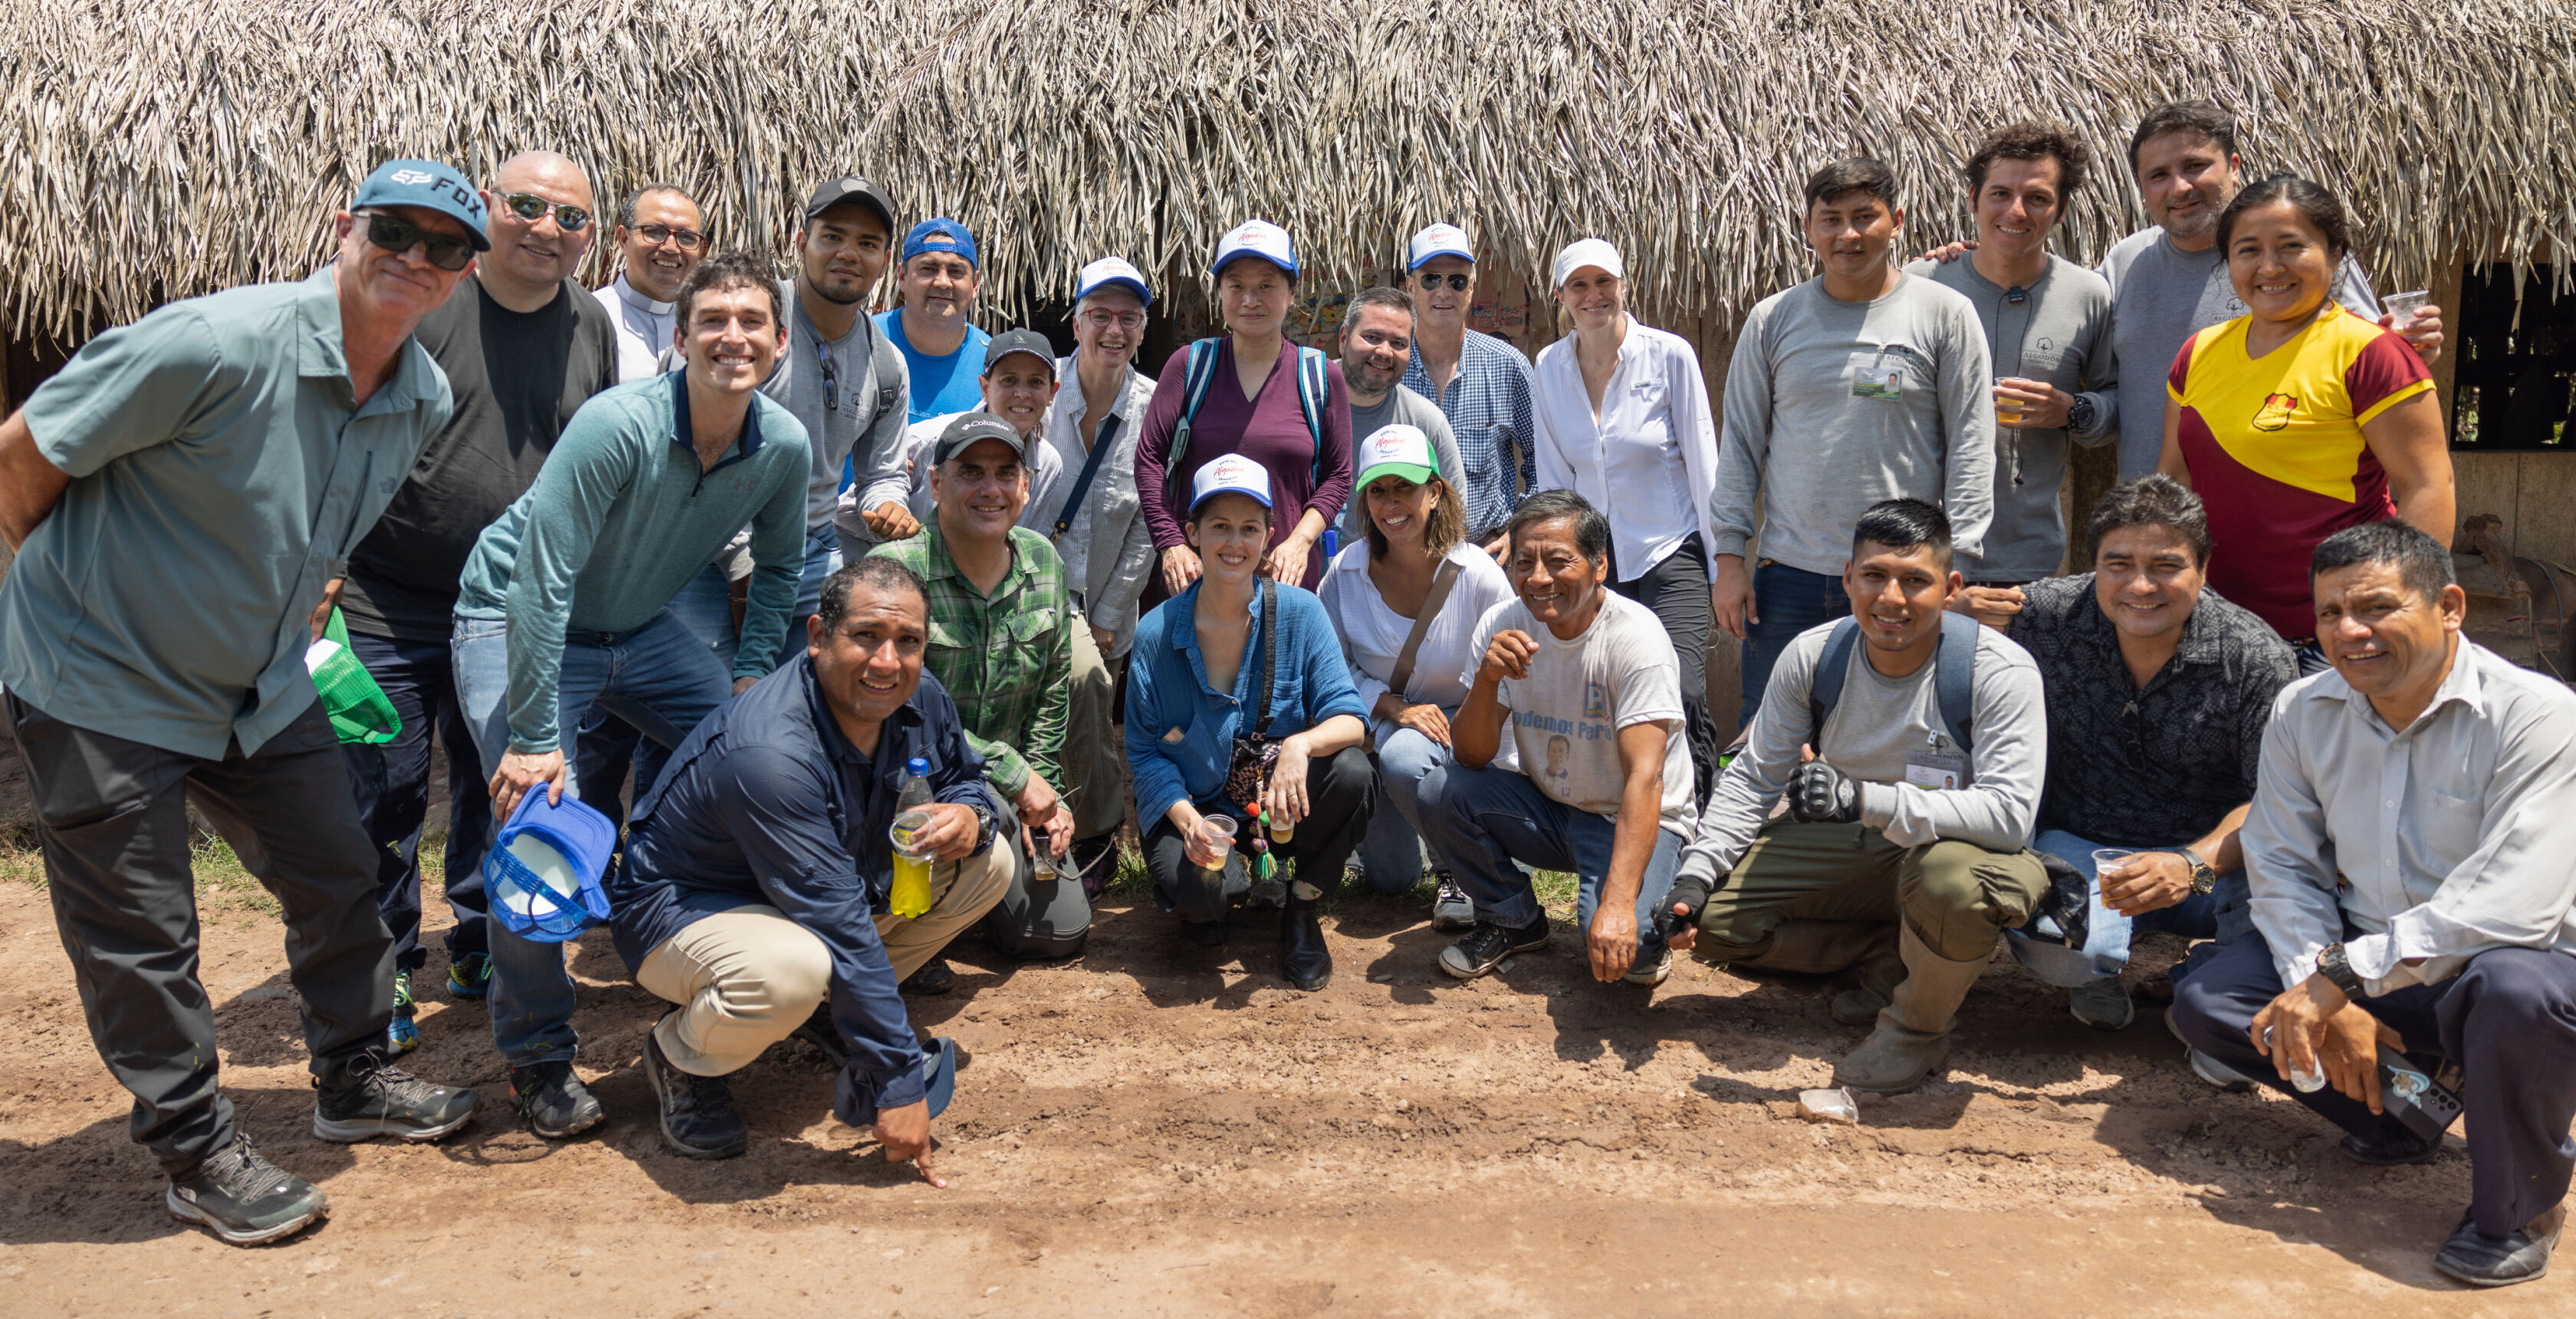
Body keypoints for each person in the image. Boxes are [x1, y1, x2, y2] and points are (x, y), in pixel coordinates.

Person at [0, 159, 489, 1247]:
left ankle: (354, 1078)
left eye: (445, 246)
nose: (415, 258)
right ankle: (191, 1147)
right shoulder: (212, 344)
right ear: (344, 227)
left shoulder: (423, 396)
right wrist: (81, 599)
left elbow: (327, 528)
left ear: (462, 274)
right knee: (143, 928)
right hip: (102, 682)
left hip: (260, 683)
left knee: (340, 867)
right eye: (394, 231)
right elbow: (22, 457)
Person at [449, 252, 811, 1139]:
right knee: (532, 821)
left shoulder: (784, 446)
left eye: (752, 321)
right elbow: (543, 581)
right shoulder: (619, 424)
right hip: (518, 614)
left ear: (780, 340)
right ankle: (536, 1056)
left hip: (639, 629)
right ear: (679, 337)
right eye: (714, 320)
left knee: (762, 764)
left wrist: (753, 671)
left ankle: (725, 961)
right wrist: (534, 736)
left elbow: (781, 568)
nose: (734, 335)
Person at [2171, 521, 2576, 1289]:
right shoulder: (2303, 710)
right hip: (2370, 954)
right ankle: (2411, 1111)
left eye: (2376, 608)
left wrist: (2343, 980)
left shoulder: (2539, 714)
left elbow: (2515, 903)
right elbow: (2282, 864)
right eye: (2329, 614)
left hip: (2511, 961)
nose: (2350, 633)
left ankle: (2521, 1206)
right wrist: (2325, 985)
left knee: (2517, 994)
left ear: (2450, 605)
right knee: (2215, 1001)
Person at [335, 150, 618, 1054]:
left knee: (497, 784)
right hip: (389, 596)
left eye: (570, 217)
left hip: (510, 606)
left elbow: (596, 451)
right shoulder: (430, 297)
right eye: (528, 206)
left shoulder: (590, 322)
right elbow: (341, 423)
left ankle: (474, 942)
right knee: (383, 794)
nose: (547, 228)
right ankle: (380, 982)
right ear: (491, 208)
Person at [610, 557, 1007, 1173]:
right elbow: (837, 920)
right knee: (789, 969)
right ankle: (680, 1053)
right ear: (819, 634)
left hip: (806, 894)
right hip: (684, 911)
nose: (887, 662)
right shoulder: (771, 751)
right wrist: (899, 1081)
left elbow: (966, 778)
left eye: (908, 642)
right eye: (866, 637)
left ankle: (824, 1005)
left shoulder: (916, 693)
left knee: (990, 863)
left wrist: (972, 815)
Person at [1668, 499, 2049, 1094]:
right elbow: (1754, 777)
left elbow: (2008, 817)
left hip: (1956, 850)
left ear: (1951, 588)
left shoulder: (1998, 671)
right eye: (1874, 576)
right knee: (1715, 920)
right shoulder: (1816, 654)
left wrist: (1863, 798)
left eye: (1915, 580)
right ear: (1848, 579)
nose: (1891, 598)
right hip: (1854, 840)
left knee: (1954, 884)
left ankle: (1916, 1030)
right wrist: (1696, 874)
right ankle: (1888, 957)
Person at [2002, 477, 2295, 1071]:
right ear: (2093, 566)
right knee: (2061, 950)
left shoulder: (2255, 658)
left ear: (2204, 569)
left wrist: (2193, 865)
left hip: (2208, 874)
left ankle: (2203, 981)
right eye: (2119, 564)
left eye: (2166, 566)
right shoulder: (2042, 617)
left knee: (2283, 911)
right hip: (2085, 853)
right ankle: (2101, 965)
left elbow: (2279, 803)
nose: (2140, 586)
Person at [1714, 159, 1996, 732]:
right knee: (1768, 729)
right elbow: (1740, 443)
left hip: (1902, 573)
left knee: (1902, 730)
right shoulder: (1773, 320)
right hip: (1789, 572)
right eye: (1832, 219)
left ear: (1896, 222)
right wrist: (1728, 558)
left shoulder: (1944, 315)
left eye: (1865, 217)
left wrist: (1957, 566)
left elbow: (1972, 442)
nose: (1848, 234)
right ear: (1810, 227)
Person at [2157, 175, 2450, 669]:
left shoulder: (2372, 353)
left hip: (2333, 635)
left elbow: (2427, 484)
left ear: (2335, 255)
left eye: (2292, 246)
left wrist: (2397, 606)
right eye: (2247, 250)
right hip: (2218, 628)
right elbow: (2174, 477)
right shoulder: (2199, 351)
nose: (2269, 267)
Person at [1417, 489, 1697, 987]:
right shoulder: (1503, 625)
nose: (1539, 578)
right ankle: (1513, 918)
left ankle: (1651, 910)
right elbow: (1472, 756)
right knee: (1442, 788)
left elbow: (1647, 779)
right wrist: (1486, 680)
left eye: (1558, 561)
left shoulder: (1636, 640)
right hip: (1553, 810)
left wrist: (1615, 907)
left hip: (1633, 816)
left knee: (1626, 957)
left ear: (1600, 565)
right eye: (1525, 562)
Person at [1125, 457, 1375, 990]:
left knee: (1353, 773)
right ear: (1192, 534)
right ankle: (1229, 892)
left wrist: (1300, 747)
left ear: (1268, 536)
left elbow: (1352, 720)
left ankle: (1302, 906)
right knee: (1204, 899)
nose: (1233, 543)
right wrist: (1189, 822)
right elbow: (1145, 753)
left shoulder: (1303, 614)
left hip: (1279, 808)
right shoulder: (1155, 634)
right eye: (1219, 527)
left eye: (1249, 528)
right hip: (1200, 812)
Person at [2098, 100, 2441, 478]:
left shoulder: (2303, 262)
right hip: (2159, 512)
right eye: (2158, 175)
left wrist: (2409, 348)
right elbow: (2109, 389)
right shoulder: (2123, 265)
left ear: (2233, 168)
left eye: (2195, 166)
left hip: (2296, 512)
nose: (2179, 187)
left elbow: (2370, 363)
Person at [869, 412, 1090, 984]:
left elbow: (1049, 697)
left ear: (1026, 485)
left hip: (1004, 789)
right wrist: (1014, 776)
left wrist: (1045, 797)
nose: (990, 489)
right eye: (971, 472)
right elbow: (889, 711)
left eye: (1005, 473)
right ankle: (918, 932)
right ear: (936, 483)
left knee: (1059, 934)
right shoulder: (894, 575)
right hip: (909, 785)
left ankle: (971, 901)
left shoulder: (1043, 560)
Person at [1533, 237, 1723, 806]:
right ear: (1562, 296)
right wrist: (1558, 566)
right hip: (1596, 562)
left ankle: (1708, 822)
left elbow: (1704, 461)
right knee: (1612, 697)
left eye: (1604, 283)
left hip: (1671, 549)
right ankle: (1632, 824)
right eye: (1579, 286)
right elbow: (1553, 476)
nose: (1594, 296)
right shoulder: (1550, 366)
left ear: (1624, 285)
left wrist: (1722, 568)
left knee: (1683, 691)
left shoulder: (1668, 355)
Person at [1902, 123, 2117, 627]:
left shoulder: (2089, 296)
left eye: (2037, 197)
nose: (2016, 211)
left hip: (2028, 559)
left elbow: (2117, 405)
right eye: (2000, 193)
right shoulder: (1920, 284)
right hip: (1919, 549)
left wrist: (2073, 411)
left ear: (2061, 210)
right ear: (1974, 199)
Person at [1316, 424, 1515, 926]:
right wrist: (1394, 708)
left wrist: (1474, 732)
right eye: (1377, 491)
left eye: (1404, 486)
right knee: (1391, 881)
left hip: (1471, 732)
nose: (1391, 505)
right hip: (1388, 723)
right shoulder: (1345, 574)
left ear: (1434, 492)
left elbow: (1513, 670)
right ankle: (1419, 831)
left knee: (1406, 756)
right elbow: (1328, 667)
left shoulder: (1477, 574)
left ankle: (1460, 871)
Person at [1028, 257, 1160, 891]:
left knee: (1086, 693)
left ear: (1142, 328)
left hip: (1106, 600)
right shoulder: (1038, 387)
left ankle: (1099, 830)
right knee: (1043, 709)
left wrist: (1109, 614)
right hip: (1030, 590)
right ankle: (1040, 826)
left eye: (1128, 318)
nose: (1115, 329)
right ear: (1076, 321)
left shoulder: (1156, 406)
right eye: (1100, 315)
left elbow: (1150, 521)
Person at [1134, 219, 1355, 592]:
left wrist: (1300, 542)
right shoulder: (1189, 366)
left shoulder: (1319, 376)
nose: (1250, 300)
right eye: (1236, 285)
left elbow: (1338, 476)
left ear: (1291, 293)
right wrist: (1171, 543)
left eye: (1266, 285)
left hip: (1287, 582)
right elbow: (1149, 459)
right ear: (1220, 293)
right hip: (1198, 581)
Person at [1400, 223, 1536, 553]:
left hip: (1486, 559)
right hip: (1402, 562)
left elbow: (1542, 464)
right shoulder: (1389, 369)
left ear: (1472, 289)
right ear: (1410, 287)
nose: (1444, 292)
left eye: (1457, 281)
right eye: (1431, 279)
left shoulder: (1509, 365)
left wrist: (1517, 531)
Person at [1329, 287, 1465, 542]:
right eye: (1372, 336)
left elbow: (1453, 518)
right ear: (1344, 338)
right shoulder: (1302, 399)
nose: (1384, 351)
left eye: (1398, 343)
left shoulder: (1425, 421)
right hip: (1302, 576)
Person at [895, 328, 1066, 524]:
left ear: (1052, 392)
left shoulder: (1047, 464)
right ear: (985, 387)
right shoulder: (928, 441)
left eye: (1036, 382)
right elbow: (854, 515)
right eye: (1009, 380)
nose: (1022, 393)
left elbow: (1024, 541)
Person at [877, 217, 991, 425]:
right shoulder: (865, 340)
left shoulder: (992, 363)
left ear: (975, 284)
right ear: (902, 276)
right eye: (928, 269)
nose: (942, 282)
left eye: (956, 272)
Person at [594, 183, 706, 382]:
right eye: (655, 232)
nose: (671, 248)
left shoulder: (710, 324)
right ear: (624, 239)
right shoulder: (591, 318)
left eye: (687, 237)